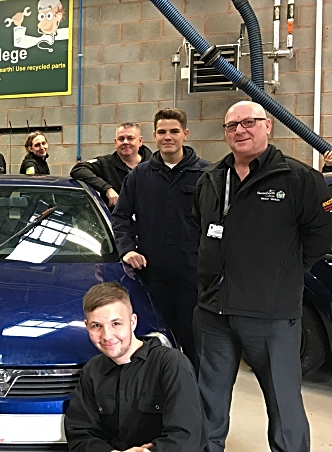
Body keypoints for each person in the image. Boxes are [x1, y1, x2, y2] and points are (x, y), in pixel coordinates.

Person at [192, 101, 332, 452]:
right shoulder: (210, 179)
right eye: (231, 125)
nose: (240, 130)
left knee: (284, 404)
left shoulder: (299, 179)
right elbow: (201, 228)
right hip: (214, 313)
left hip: (271, 315)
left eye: (249, 122)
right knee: (209, 401)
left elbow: (321, 236)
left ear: (267, 126)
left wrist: (283, 273)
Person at [111, 108, 209, 365]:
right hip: (152, 277)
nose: (168, 137)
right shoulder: (139, 176)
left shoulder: (206, 176)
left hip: (194, 277)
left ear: (185, 134)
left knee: (196, 345)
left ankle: (194, 399)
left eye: (174, 131)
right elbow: (120, 217)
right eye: (162, 132)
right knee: (155, 344)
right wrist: (127, 250)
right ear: (154, 136)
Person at [64, 282, 204, 452]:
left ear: (132, 322)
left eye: (116, 324)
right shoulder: (92, 372)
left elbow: (187, 436)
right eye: (97, 326)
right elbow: (80, 435)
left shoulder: (171, 364)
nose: (107, 336)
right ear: (87, 326)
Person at [70, 122, 152, 209]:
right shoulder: (105, 163)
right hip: (117, 221)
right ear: (115, 142)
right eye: (121, 139)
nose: (125, 142)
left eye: (130, 138)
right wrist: (106, 188)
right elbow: (78, 169)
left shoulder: (155, 165)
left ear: (140, 141)